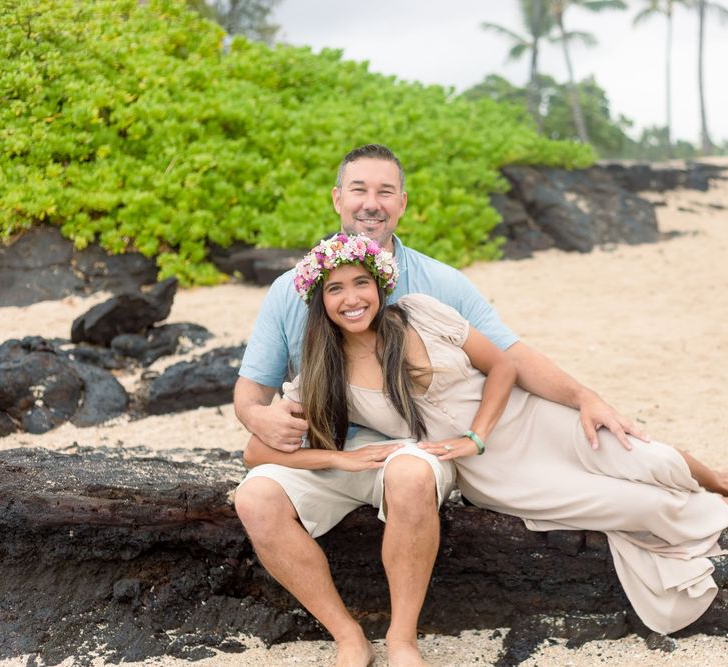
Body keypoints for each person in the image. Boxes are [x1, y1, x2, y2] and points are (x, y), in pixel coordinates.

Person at [260, 233, 728, 640]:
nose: (352, 298)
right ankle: (727, 506)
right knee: (623, 503)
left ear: (378, 285)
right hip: (491, 471)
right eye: (335, 289)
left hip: (522, 419)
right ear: (319, 300)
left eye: (360, 283)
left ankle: (715, 478)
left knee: (642, 453)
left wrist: (478, 432)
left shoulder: (420, 313)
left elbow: (502, 368)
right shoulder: (319, 374)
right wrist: (345, 461)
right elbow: (258, 448)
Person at [233, 144, 650, 667]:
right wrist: (259, 417)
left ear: (402, 203)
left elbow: (511, 356)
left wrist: (585, 397)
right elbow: (251, 395)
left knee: (413, 472)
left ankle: (403, 640)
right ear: (338, 198)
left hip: (418, 448)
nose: (371, 203)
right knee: (254, 498)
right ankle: (347, 636)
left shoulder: (436, 285)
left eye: (385, 191)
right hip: (330, 452)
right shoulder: (289, 291)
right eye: (359, 189)